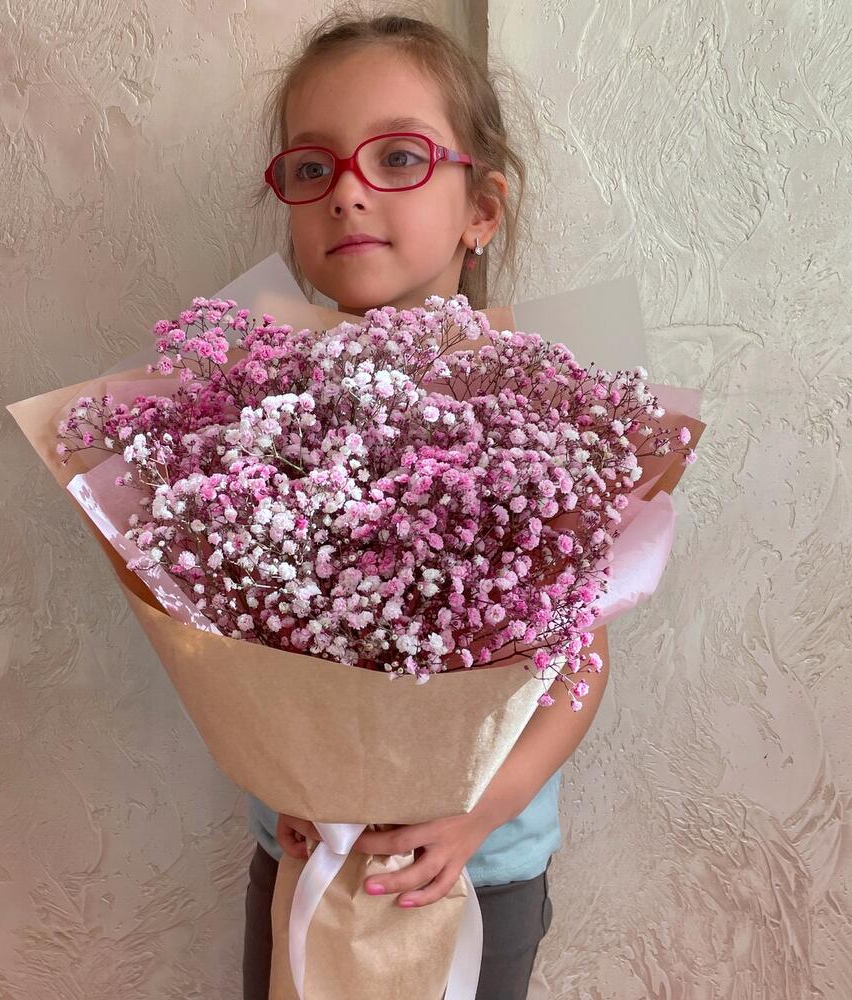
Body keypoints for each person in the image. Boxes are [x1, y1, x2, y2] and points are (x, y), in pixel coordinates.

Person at [242, 7, 611, 999]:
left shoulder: (537, 411)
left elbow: (581, 663)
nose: (347, 191)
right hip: (301, 853)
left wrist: (478, 815)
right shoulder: (253, 410)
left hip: (478, 868)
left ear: (480, 208)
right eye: (311, 166)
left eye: (398, 157)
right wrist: (277, 779)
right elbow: (231, 646)